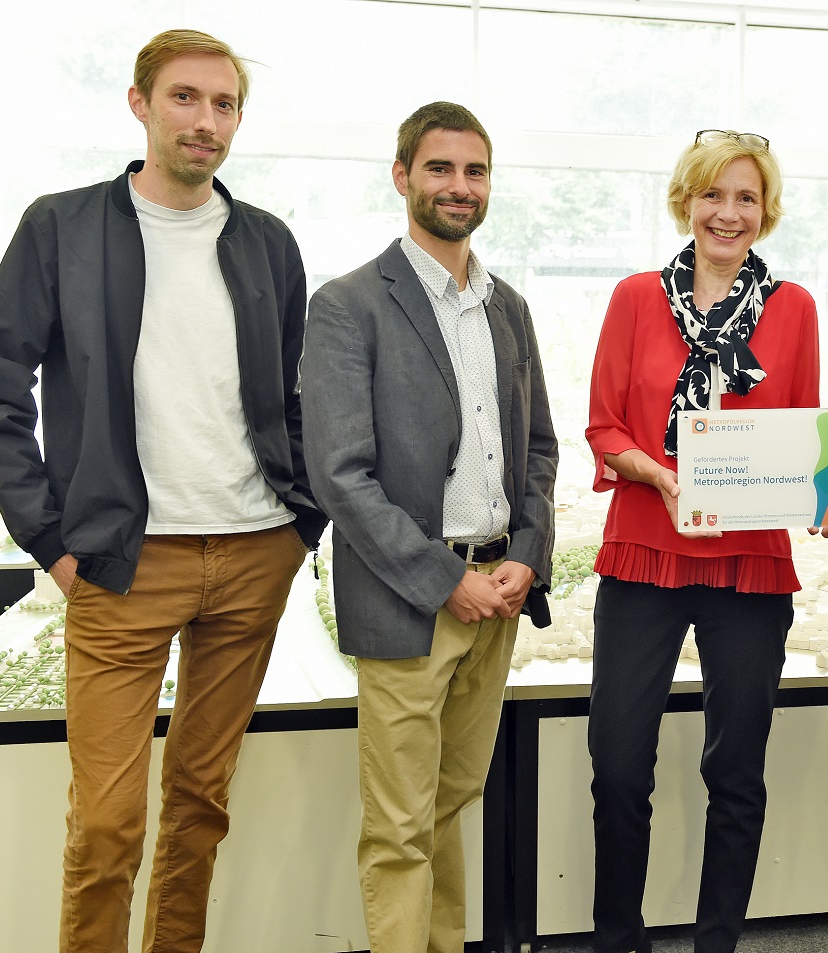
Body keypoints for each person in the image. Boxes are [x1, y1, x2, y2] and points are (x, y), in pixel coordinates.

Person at [0, 28, 322, 952]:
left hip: (254, 551)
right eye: (185, 98)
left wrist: (302, 523)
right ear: (140, 103)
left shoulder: (268, 242)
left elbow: (296, 393)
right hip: (121, 562)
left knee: (202, 801)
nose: (206, 121)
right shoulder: (61, 227)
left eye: (224, 104)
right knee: (106, 822)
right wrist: (49, 540)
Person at [585, 129, 828, 953]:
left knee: (736, 772)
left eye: (746, 197)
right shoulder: (634, 298)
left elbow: (802, 435)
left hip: (750, 564)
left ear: (765, 210)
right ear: (687, 200)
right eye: (713, 194)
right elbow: (604, 427)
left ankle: (718, 942)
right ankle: (618, 938)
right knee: (618, 767)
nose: (728, 212)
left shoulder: (795, 308)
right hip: (644, 550)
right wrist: (659, 474)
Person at [300, 101, 558, 953]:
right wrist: (448, 581)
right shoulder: (349, 306)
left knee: (452, 805)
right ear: (403, 176)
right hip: (412, 601)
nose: (459, 185)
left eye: (474, 170)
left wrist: (526, 555)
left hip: (499, 595)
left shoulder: (508, 306)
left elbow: (538, 449)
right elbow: (340, 476)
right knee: (401, 825)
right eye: (440, 168)